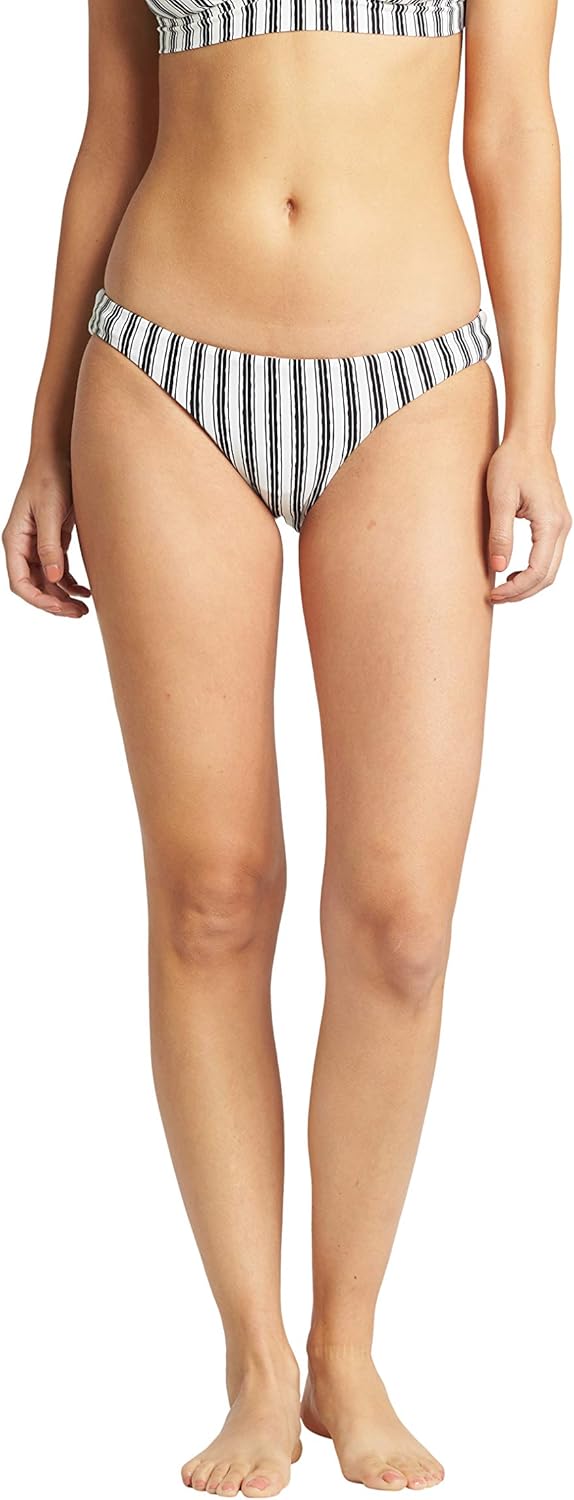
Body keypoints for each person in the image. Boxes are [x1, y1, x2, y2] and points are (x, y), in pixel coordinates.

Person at [2, 0, 571, 1493]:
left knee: (401, 920)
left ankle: (349, 1346)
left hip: (415, 378)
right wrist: (44, 433)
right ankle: (255, 1359)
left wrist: (533, 422)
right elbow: (110, 134)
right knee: (209, 894)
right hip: (161, 370)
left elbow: (512, 128)